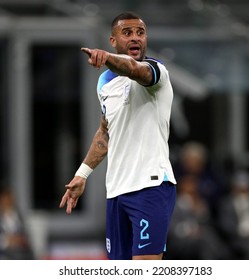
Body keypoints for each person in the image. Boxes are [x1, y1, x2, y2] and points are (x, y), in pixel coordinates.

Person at [59, 12, 177, 260]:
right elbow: (105, 130)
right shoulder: (104, 82)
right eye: (127, 33)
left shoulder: (156, 73)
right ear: (113, 40)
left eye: (140, 33)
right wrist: (82, 174)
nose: (135, 38)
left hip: (151, 186)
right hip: (116, 192)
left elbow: (133, 69)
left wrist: (108, 58)